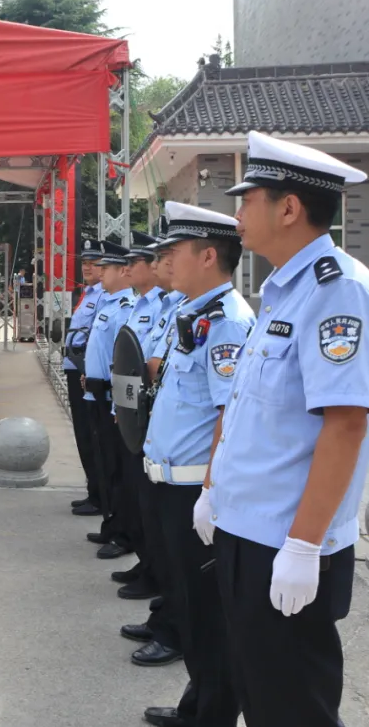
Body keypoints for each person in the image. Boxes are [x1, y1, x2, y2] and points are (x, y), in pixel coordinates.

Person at [198, 132, 369, 726]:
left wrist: (303, 547)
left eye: (247, 200)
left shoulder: (335, 290)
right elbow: (251, 412)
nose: (236, 214)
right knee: (261, 695)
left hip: (287, 541)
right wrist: (214, 491)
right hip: (246, 530)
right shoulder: (280, 292)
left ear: (289, 208)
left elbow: (346, 425)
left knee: (295, 706)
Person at [137, 202, 253, 726]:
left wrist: (211, 491)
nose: (166, 261)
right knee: (192, 607)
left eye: (174, 251)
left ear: (208, 256)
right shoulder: (195, 314)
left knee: (209, 617)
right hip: (171, 484)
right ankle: (198, 707)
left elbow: (229, 416)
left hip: (193, 493)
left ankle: (211, 717)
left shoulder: (226, 322)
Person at [113, 233, 168, 605]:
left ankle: (155, 575)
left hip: (159, 425)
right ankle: (148, 565)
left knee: (160, 519)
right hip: (137, 413)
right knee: (139, 499)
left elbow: (153, 366)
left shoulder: (176, 307)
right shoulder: (142, 304)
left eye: (138, 262)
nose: (129, 268)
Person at [81, 240, 137, 559]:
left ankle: (123, 532)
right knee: (104, 463)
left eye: (106, 268)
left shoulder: (126, 308)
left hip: (110, 395)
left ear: (123, 271)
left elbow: (123, 358)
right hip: (96, 391)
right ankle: (111, 524)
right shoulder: (108, 303)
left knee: (117, 467)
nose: (100, 273)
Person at [63, 238, 106, 515]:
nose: (87, 267)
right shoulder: (89, 294)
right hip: (74, 369)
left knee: (93, 434)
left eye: (93, 264)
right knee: (82, 432)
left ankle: (99, 495)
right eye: (84, 263)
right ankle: (93, 488)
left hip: (85, 373)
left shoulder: (104, 295)